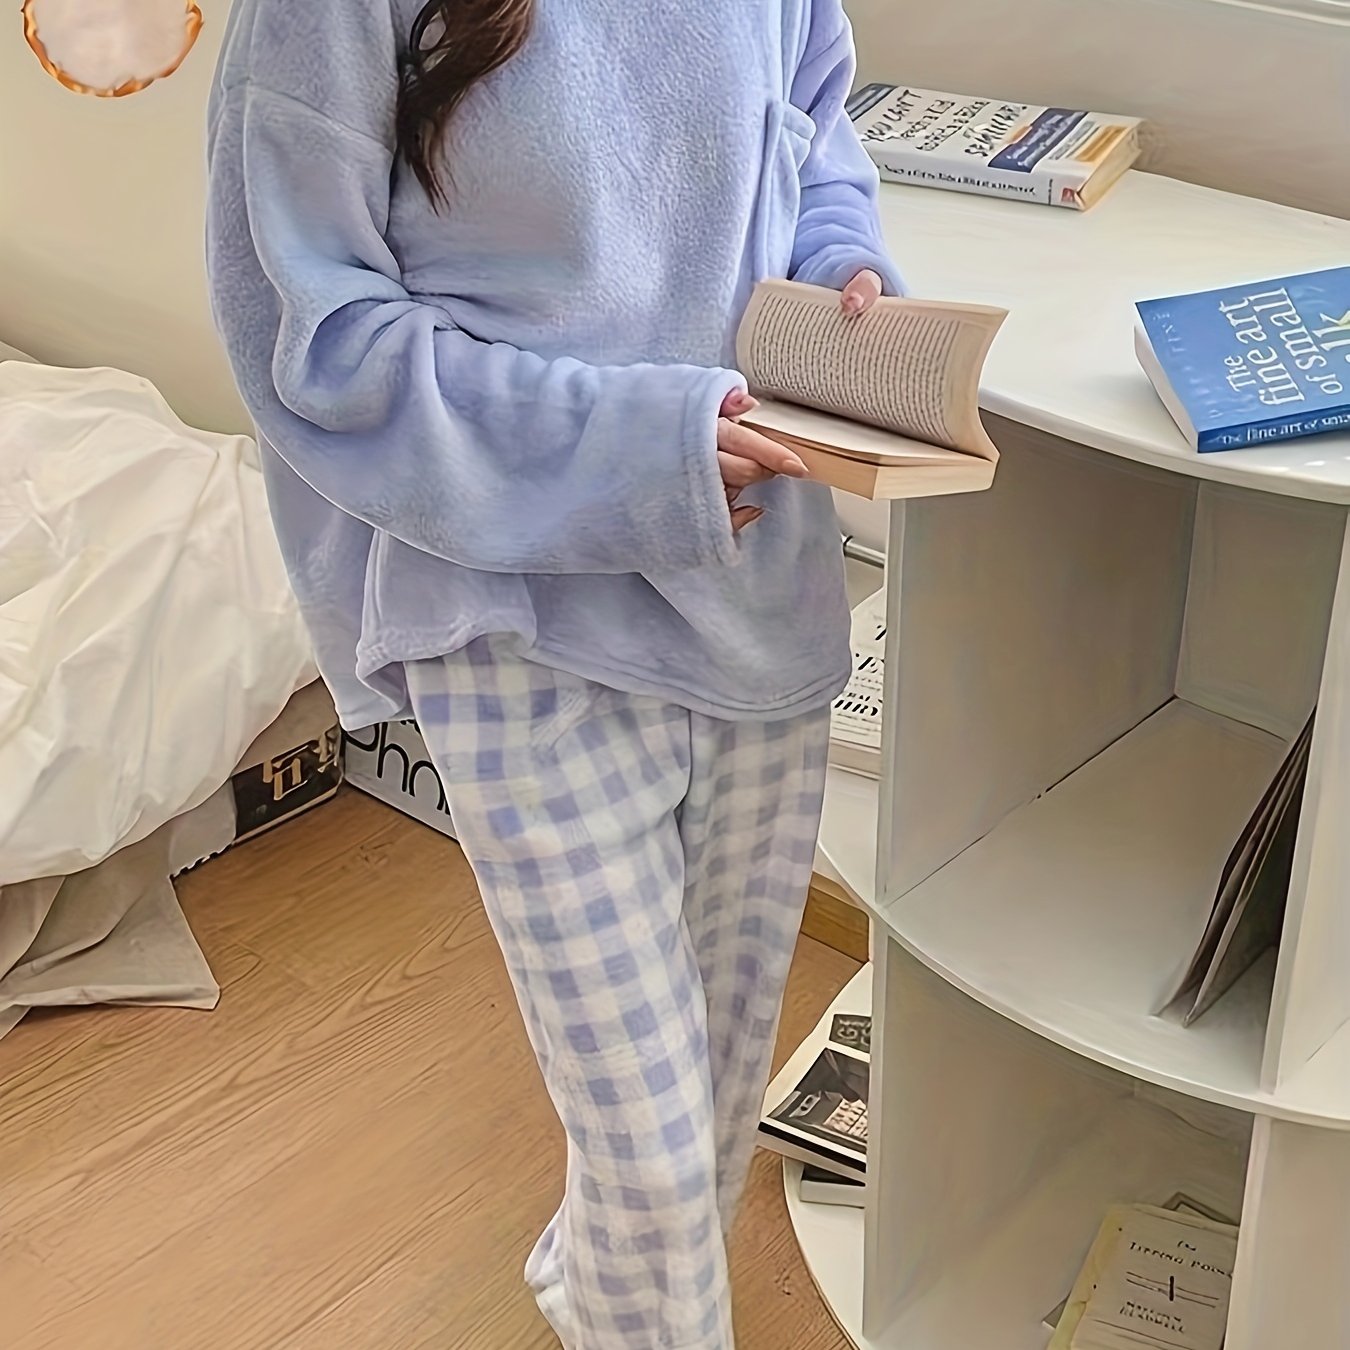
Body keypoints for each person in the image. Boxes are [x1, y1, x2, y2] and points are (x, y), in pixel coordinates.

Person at [206, 0, 901, 1344]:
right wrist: (636, 447)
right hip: (508, 605)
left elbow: (814, 134)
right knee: (650, 1156)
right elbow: (316, 338)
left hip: (753, 583)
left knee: (708, 1103)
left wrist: (840, 264)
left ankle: (595, 1288)